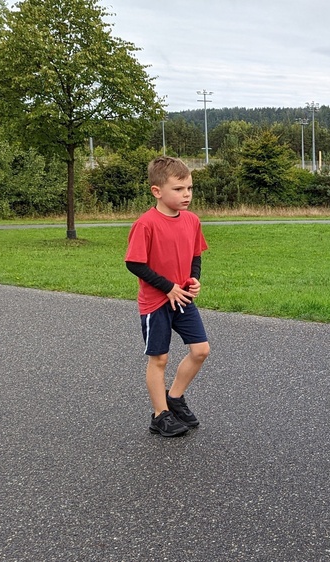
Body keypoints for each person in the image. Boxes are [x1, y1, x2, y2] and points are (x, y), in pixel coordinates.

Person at [125, 156, 210, 438]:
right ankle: (160, 415)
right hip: (156, 302)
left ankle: (174, 398)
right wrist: (168, 287)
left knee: (200, 350)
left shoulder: (192, 221)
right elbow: (135, 263)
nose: (186, 194)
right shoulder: (146, 224)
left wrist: (193, 278)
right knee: (159, 358)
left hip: (183, 298)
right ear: (157, 191)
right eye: (178, 189)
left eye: (189, 188)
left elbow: (195, 254)